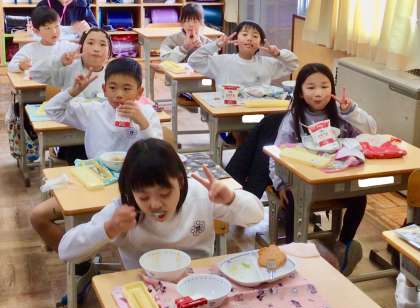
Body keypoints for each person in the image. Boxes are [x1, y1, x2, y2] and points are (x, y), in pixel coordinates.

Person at [58, 138, 264, 268]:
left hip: (196, 280)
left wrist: (231, 199)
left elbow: (256, 216)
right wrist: (109, 228)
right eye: (144, 197)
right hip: (143, 284)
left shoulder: (201, 195)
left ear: (180, 181)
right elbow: (66, 252)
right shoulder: (124, 208)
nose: (155, 205)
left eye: (164, 194)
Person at [31, 58, 163, 255]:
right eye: (113, 87)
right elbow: (52, 111)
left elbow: (159, 154)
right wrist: (72, 91)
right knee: (38, 216)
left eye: (127, 88)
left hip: (134, 185)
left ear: (139, 92)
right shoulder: (94, 111)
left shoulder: (146, 113)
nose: (119, 94)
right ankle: (79, 262)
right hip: (94, 181)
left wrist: (143, 123)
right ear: (104, 89)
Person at [269, 63, 377, 276]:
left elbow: (371, 130)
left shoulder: (341, 112)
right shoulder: (294, 118)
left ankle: (343, 246)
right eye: (311, 87)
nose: (318, 93)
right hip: (301, 184)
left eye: (324, 86)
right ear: (300, 92)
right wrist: (280, 184)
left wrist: (351, 111)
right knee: (292, 202)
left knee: (359, 198)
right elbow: (277, 154)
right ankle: (294, 250)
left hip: (336, 179)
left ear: (332, 89)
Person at [188, 20, 299, 90]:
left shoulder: (267, 63)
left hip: (258, 109)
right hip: (227, 111)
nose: (249, 38)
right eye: (245, 34)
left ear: (261, 44)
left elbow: (293, 64)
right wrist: (216, 45)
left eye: (255, 36)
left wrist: (279, 54)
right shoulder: (223, 61)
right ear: (235, 40)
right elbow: (194, 61)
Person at [30, 27, 112, 99]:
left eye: (102, 44)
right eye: (90, 43)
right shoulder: (69, 68)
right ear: (81, 48)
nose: (96, 49)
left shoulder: (113, 73)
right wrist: (59, 62)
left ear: (109, 52)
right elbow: (35, 74)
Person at [8, 6, 75, 73]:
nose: (54, 32)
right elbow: (10, 67)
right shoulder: (30, 49)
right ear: (36, 31)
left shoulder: (67, 46)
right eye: (48, 28)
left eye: (57, 26)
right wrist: (21, 66)